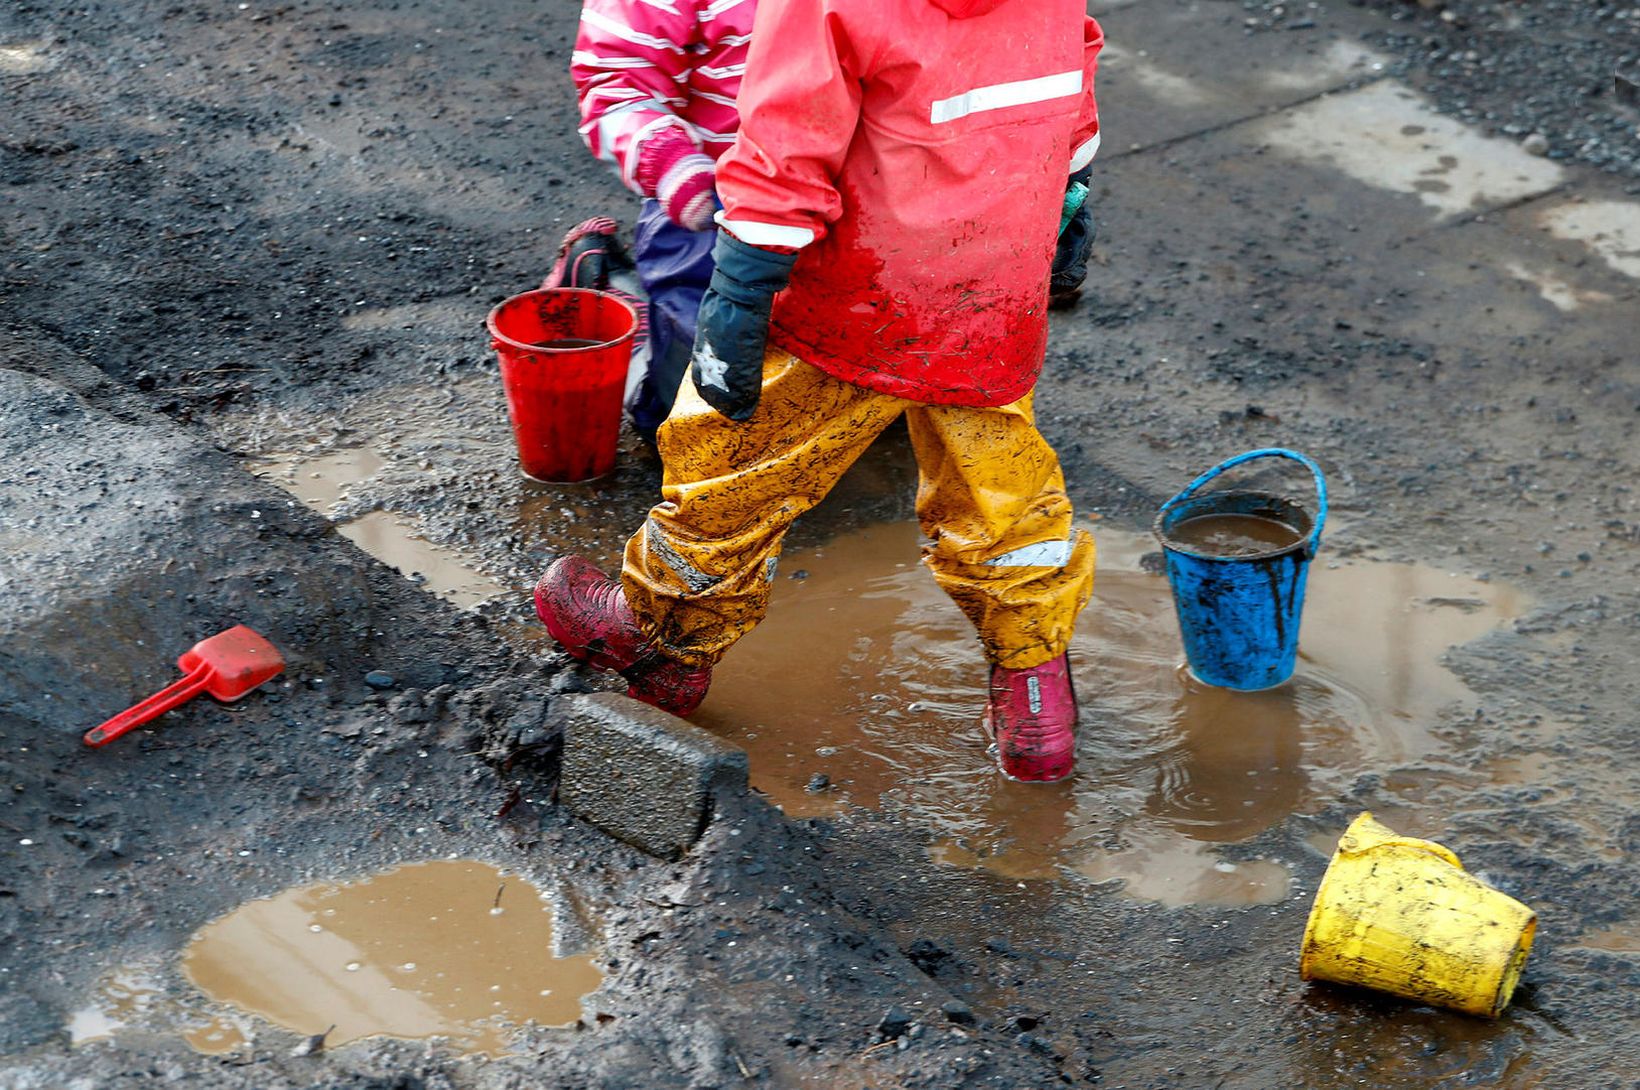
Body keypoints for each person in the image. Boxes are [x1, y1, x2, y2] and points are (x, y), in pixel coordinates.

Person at [537, 0, 1103, 783]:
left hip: (855, 298)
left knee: (732, 459)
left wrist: (737, 295)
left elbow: (785, 150)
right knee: (1004, 495)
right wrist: (1070, 202)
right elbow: (1069, 90)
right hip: (991, 290)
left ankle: (665, 641)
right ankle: (1036, 700)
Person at [545, 0, 756, 443]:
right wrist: (668, 160)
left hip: (860, 211)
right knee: (692, 426)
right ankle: (620, 304)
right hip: (711, 205)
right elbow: (616, 77)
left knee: (872, 388)